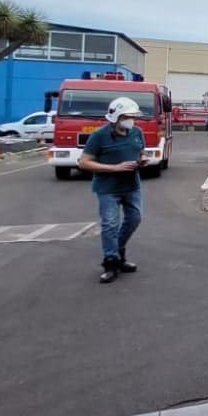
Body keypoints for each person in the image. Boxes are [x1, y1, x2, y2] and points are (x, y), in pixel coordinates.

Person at [77, 97, 146, 284]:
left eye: (133, 117)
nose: (132, 120)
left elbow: (140, 152)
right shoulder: (99, 136)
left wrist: (142, 160)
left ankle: (117, 251)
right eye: (128, 116)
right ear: (116, 117)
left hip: (132, 185)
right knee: (110, 224)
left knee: (135, 218)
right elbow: (84, 162)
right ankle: (110, 262)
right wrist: (115, 168)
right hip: (108, 188)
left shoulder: (137, 132)